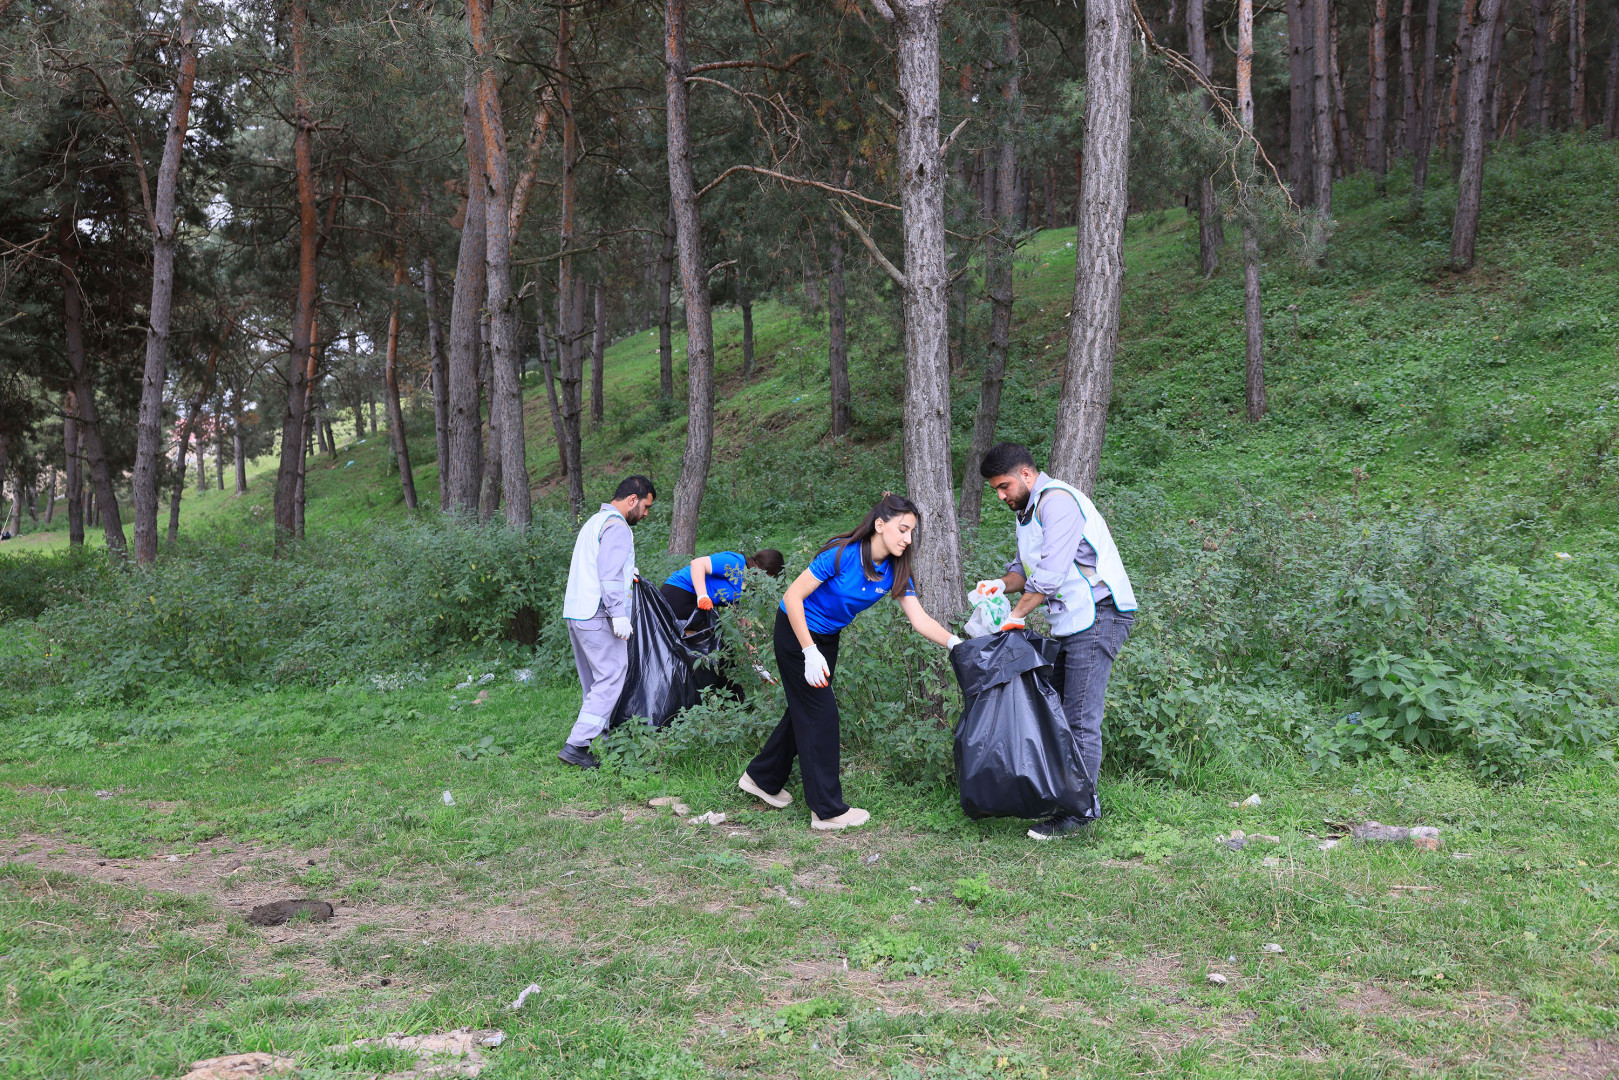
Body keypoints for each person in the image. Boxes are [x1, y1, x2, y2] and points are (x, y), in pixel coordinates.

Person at [736, 494, 961, 831]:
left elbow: (920, 620)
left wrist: (955, 643)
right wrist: (809, 651)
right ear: (880, 524)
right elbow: (792, 598)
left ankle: (761, 778)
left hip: (828, 638)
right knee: (821, 714)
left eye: (912, 532)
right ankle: (826, 810)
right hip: (797, 631)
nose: (907, 539)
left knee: (805, 708)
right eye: (902, 529)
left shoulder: (895, 571)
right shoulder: (840, 556)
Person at [975, 442, 1138, 841]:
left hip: (1100, 614)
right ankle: (1064, 798)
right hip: (1071, 621)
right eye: (996, 489)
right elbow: (1023, 572)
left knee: (1080, 718)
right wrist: (999, 585)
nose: (1001, 496)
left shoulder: (1058, 502)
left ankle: (1078, 812)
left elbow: (1047, 578)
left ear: (1026, 475)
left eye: (1003, 486)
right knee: (1059, 715)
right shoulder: (1025, 511)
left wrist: (1015, 617)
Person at [559, 475, 656, 769]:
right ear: (632, 500)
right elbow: (609, 576)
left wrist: (629, 573)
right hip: (598, 613)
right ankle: (577, 746)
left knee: (596, 682)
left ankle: (598, 738)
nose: (646, 513)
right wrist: (618, 615)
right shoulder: (618, 528)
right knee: (612, 675)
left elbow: (599, 565)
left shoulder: (595, 522)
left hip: (577, 612)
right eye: (646, 506)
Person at [659, 548, 786, 633]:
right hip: (679, 592)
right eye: (768, 578)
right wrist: (702, 596)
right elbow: (697, 564)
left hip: (699, 607)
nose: (766, 582)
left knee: (712, 641)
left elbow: (745, 624)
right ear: (763, 569)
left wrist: (755, 658)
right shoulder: (735, 562)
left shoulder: (750, 591)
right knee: (705, 640)